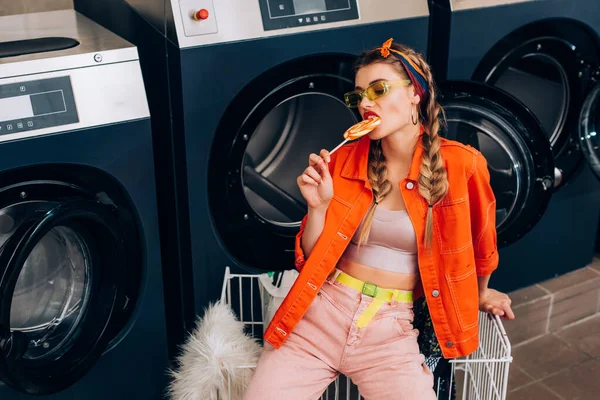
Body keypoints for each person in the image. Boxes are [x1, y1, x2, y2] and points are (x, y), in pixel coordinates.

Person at [243, 38, 515, 400]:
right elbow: (311, 257)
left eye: (379, 89)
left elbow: (482, 246)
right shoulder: (344, 161)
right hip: (320, 313)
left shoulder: (462, 165)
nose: (365, 103)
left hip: (390, 328)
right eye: (358, 96)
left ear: (415, 94)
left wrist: (481, 294)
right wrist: (318, 207)